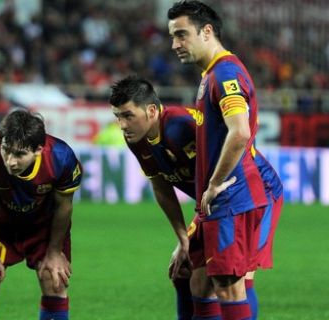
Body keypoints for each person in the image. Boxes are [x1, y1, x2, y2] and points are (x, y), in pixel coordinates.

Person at [109, 75, 282, 320]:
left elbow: (228, 165)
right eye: (118, 117)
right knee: (188, 275)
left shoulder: (183, 127)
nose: (122, 125)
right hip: (216, 200)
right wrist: (183, 239)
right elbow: (161, 188)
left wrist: (196, 225)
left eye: (128, 116)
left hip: (254, 193)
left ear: (150, 110)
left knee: (237, 276)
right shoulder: (137, 139)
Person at [167, 1, 284, 320]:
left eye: (181, 34)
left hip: (233, 196)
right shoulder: (211, 74)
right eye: (172, 36)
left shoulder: (226, 73)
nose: (174, 44)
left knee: (231, 286)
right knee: (200, 281)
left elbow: (240, 132)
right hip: (220, 200)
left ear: (206, 32)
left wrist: (215, 182)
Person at [0, 109, 83, 320]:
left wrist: (55, 252)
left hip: (41, 222)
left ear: (38, 150)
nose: (10, 161)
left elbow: (64, 207)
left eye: (19, 154)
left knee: (53, 278)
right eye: (6, 150)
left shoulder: (61, 158)